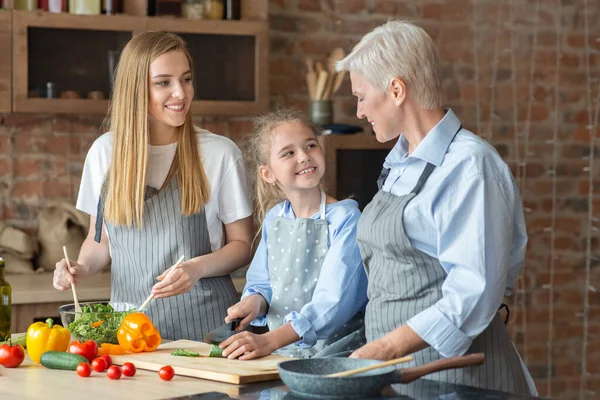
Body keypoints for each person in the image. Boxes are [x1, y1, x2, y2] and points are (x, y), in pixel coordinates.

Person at [336, 21, 538, 395]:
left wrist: (385, 348)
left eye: (361, 96)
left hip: (457, 377)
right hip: (398, 375)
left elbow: (475, 290)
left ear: (396, 90)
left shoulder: (468, 165)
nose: (359, 111)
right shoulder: (398, 164)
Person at [52, 31, 253, 342]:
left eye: (186, 79)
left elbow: (241, 246)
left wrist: (196, 268)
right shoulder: (105, 153)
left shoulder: (219, 154)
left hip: (207, 332)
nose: (181, 93)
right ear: (136, 89)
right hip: (128, 335)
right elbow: (101, 241)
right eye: (163, 82)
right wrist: (79, 268)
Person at [218, 108, 368, 360]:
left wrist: (269, 340)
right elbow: (262, 283)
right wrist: (253, 302)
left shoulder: (346, 219)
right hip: (282, 353)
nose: (304, 157)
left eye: (310, 146)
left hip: (336, 355)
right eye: (288, 152)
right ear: (268, 173)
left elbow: (332, 303)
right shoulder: (275, 219)